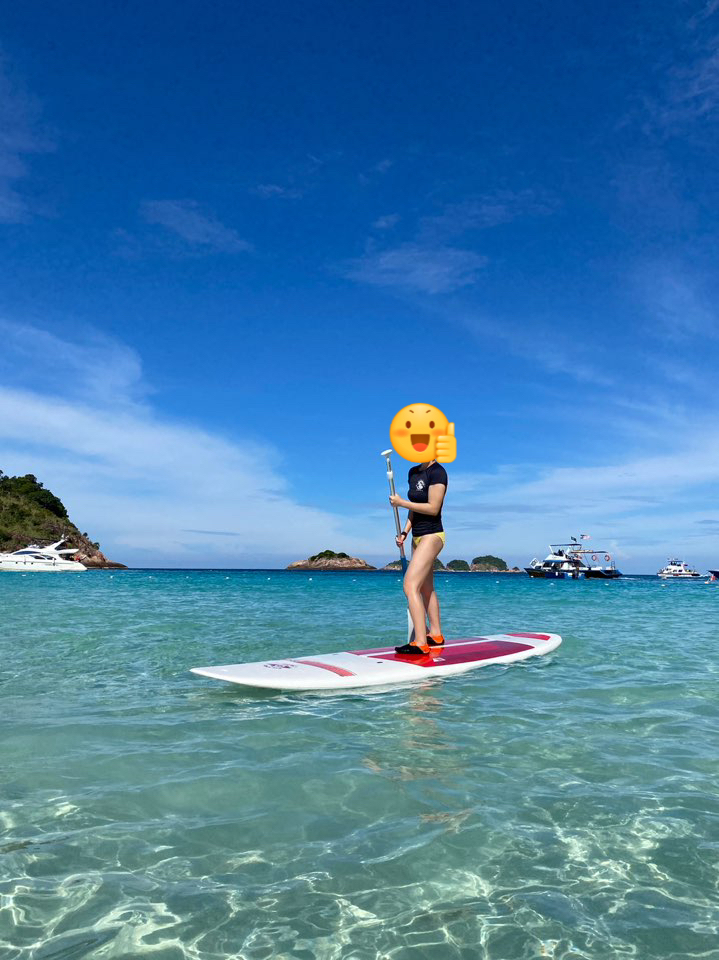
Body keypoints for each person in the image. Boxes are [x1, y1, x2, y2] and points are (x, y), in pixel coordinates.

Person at [389, 458, 448, 655]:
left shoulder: (438, 472)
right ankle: (436, 634)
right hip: (416, 537)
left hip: (433, 535)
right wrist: (404, 532)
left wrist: (400, 502)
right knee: (425, 587)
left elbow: (433, 508)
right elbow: (413, 508)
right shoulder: (413, 472)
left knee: (410, 585)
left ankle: (421, 642)